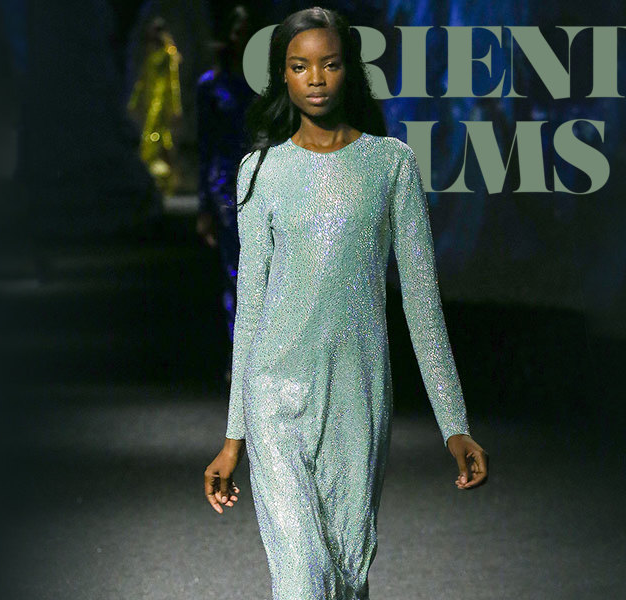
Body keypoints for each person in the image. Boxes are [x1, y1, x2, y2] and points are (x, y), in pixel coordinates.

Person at [202, 7, 489, 599]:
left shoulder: (391, 165)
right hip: (274, 396)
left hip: (358, 399)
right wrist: (234, 439)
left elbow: (422, 303)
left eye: (329, 64)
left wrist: (454, 425)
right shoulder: (261, 171)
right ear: (282, 75)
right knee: (303, 580)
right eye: (299, 66)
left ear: (349, 70)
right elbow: (250, 306)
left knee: (348, 578)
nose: (315, 78)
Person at [195, 5, 257, 381]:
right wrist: (204, 206)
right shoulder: (211, 84)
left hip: (266, 179)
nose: (242, 35)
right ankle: (241, 355)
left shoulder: (272, 82)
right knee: (237, 270)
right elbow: (205, 145)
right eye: (238, 29)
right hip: (227, 186)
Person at [127, 16, 183, 196]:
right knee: (158, 140)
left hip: (161, 104)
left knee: (153, 140)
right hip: (150, 102)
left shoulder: (168, 54)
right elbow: (142, 80)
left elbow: (173, 82)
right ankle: (160, 180)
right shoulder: (151, 52)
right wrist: (134, 100)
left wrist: (175, 107)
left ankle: (162, 180)